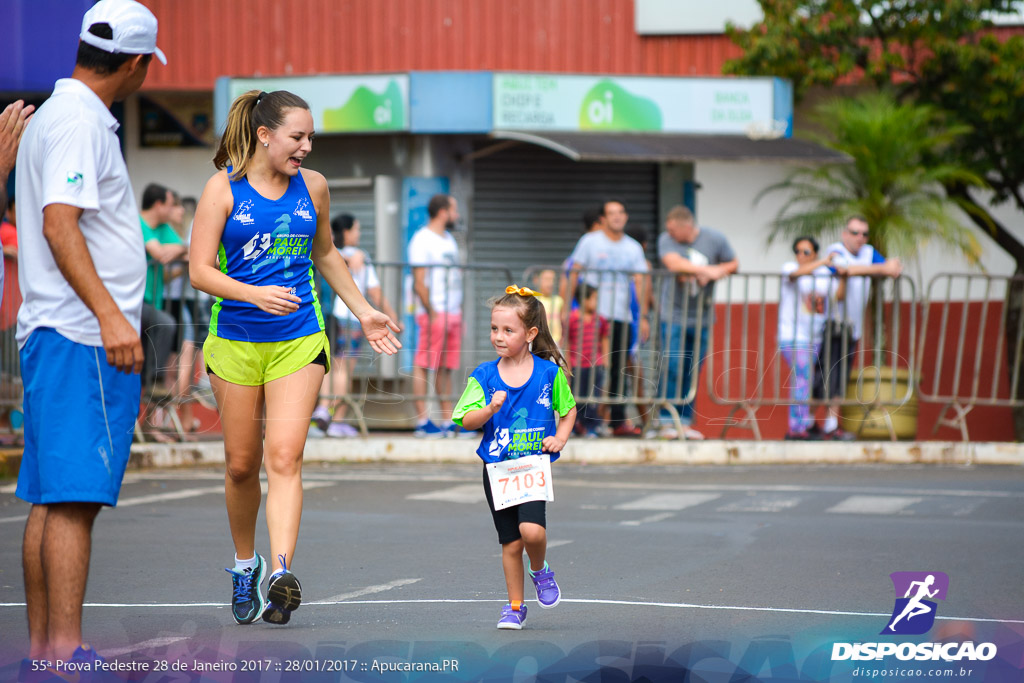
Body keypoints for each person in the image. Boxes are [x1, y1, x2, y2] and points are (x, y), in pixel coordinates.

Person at [190, 89, 401, 627]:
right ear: (265, 135)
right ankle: (246, 566)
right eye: (297, 137)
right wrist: (252, 293)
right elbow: (199, 271)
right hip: (235, 339)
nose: (306, 147)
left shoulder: (314, 187)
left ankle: (281, 572)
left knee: (284, 456)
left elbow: (324, 252)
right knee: (242, 466)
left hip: (299, 338)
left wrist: (363, 310)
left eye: (311, 138)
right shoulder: (223, 189)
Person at [14, 0, 164, 671]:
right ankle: (65, 651)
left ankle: (47, 650)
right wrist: (110, 315)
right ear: (134, 63)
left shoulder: (57, 113)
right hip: (80, 336)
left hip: (53, 331)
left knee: (51, 498)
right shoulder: (79, 121)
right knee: (73, 500)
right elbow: (60, 224)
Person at [452, 285, 577, 630]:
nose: (498, 336)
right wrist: (489, 408)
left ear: (530, 333)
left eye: (508, 330)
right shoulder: (484, 376)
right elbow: (464, 419)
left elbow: (567, 412)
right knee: (511, 542)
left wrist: (560, 438)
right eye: (494, 329)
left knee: (532, 532)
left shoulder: (548, 374)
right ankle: (515, 606)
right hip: (497, 468)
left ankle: (540, 569)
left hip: (532, 466)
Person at [566, 199, 649, 436]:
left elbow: (641, 280)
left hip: (620, 316)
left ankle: (617, 420)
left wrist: (642, 316)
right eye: (612, 213)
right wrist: (566, 309)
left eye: (621, 212)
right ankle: (581, 419)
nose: (617, 217)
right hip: (593, 317)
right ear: (603, 219)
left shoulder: (632, 247)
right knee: (587, 368)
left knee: (618, 370)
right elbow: (574, 272)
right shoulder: (589, 242)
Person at [815, 216, 903, 440]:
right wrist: (880, 267)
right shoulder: (835, 249)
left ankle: (830, 425)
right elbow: (844, 270)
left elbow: (891, 269)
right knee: (823, 377)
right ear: (845, 234)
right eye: (855, 233)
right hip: (830, 325)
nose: (860, 238)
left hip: (851, 328)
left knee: (840, 378)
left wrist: (881, 267)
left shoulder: (869, 252)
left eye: (864, 234)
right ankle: (806, 424)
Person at [311, 213, 397, 437]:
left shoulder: (327, 253)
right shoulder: (359, 256)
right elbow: (374, 291)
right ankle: (336, 419)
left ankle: (323, 409)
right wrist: (390, 315)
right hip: (352, 319)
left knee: (330, 367)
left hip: (328, 316)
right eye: (357, 229)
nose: (359, 234)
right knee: (343, 370)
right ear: (347, 232)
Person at [656, 205, 738, 440]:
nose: (669, 234)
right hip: (673, 315)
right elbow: (673, 263)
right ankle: (665, 421)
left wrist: (717, 270)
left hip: (701, 317)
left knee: (692, 369)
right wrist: (708, 270)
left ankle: (685, 421)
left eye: (673, 230)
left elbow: (733, 263)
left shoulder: (714, 238)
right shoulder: (667, 240)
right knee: (672, 365)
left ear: (687, 226)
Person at [409, 193, 463, 438]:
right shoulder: (422, 240)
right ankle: (422, 421)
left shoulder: (449, 239)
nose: (457, 215)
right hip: (434, 312)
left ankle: (447, 420)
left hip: (452, 311)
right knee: (424, 363)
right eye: (454, 210)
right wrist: (432, 312)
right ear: (443, 212)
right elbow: (419, 282)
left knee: (445, 366)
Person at [778, 237, 842, 440]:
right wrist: (823, 262)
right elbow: (795, 274)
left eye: (805, 252)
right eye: (797, 251)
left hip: (816, 337)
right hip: (793, 336)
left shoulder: (824, 275)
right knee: (803, 379)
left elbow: (837, 296)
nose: (800, 256)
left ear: (814, 252)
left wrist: (845, 276)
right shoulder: (789, 267)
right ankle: (796, 428)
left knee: (810, 381)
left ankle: (807, 424)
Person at [565, 283, 608, 438]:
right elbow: (567, 341)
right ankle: (577, 425)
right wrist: (567, 364)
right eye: (594, 298)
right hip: (577, 365)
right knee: (577, 396)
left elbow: (604, 339)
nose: (596, 302)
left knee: (593, 397)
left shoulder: (600, 319)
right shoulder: (572, 319)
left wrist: (605, 360)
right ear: (583, 300)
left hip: (595, 365)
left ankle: (592, 426)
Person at [532, 268, 563, 344]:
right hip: (537, 341)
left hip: (555, 342)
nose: (550, 283)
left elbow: (562, 320)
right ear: (536, 280)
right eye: (546, 279)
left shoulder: (559, 300)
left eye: (553, 280)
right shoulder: (532, 300)